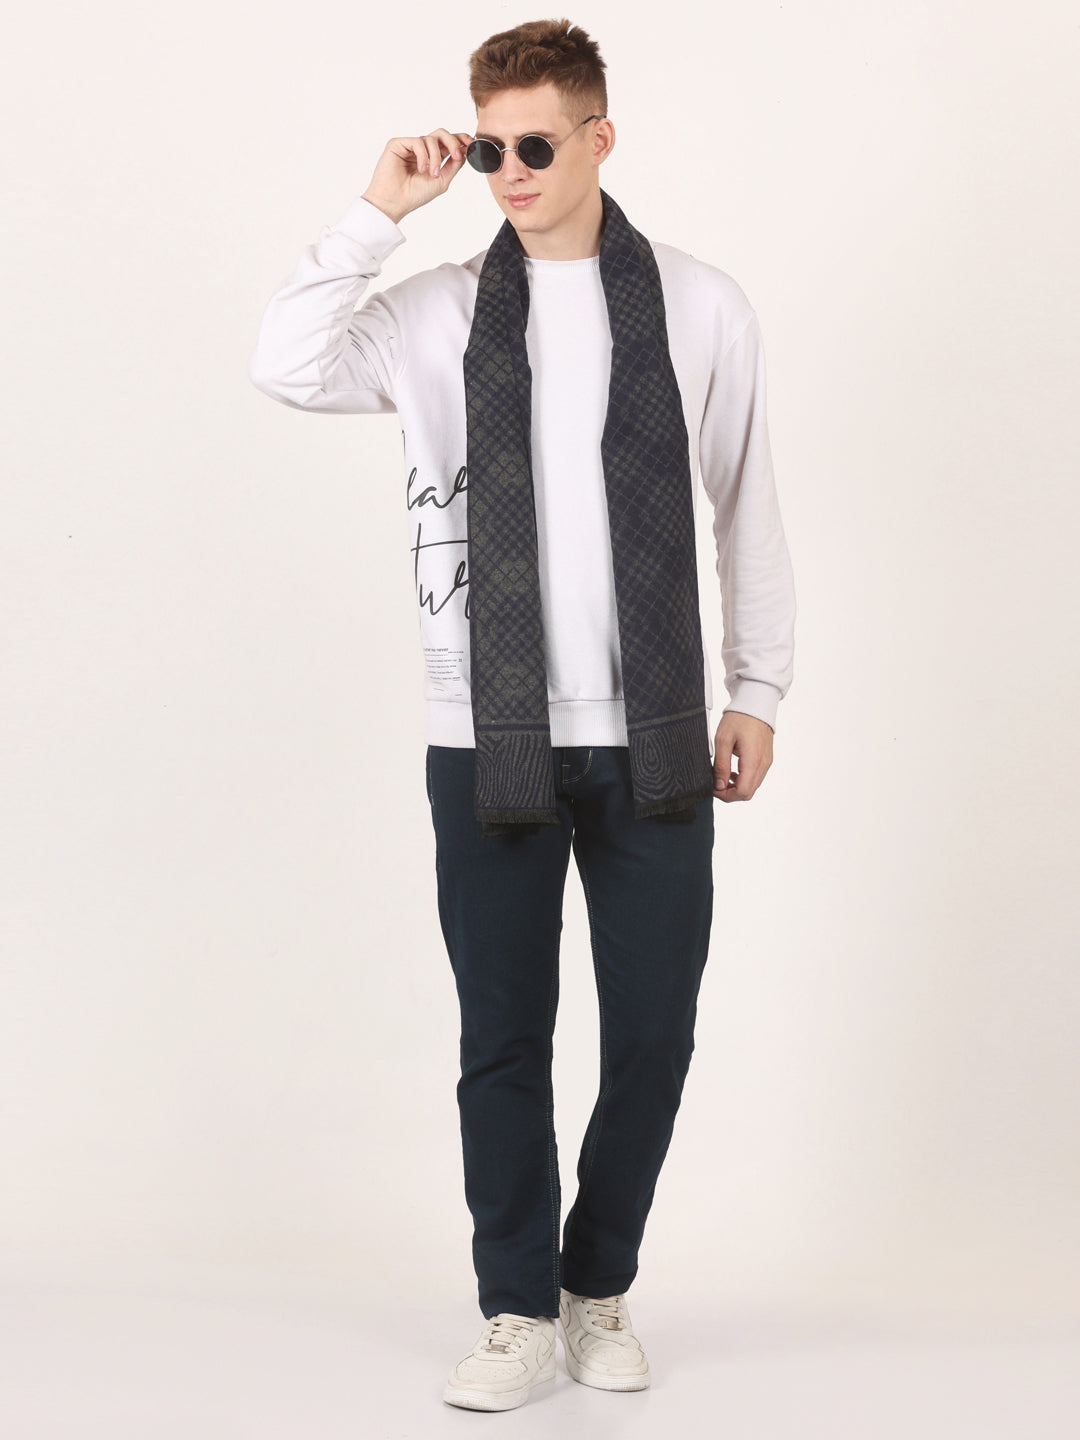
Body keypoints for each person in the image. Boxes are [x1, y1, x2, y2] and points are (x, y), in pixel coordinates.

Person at [249, 17, 795, 1413]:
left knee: (654, 1032)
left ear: (602, 138)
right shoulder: (433, 314)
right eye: (489, 149)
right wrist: (379, 208)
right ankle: (514, 1310)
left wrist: (757, 688)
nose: (509, 172)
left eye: (535, 145)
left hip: (656, 734)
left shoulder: (702, 306)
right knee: (502, 1039)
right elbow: (287, 363)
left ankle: (595, 1285)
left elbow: (746, 502)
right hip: (483, 738)